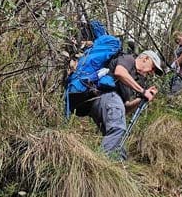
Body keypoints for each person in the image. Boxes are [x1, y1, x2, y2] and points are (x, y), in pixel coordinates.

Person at [68, 21, 164, 160]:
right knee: (118, 130)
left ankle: (116, 168)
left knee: (118, 145)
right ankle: (101, 166)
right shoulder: (129, 60)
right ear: (145, 58)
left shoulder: (135, 80)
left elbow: (124, 108)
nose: (152, 72)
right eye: (153, 67)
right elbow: (119, 72)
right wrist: (142, 91)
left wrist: (141, 98)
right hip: (105, 96)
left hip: (103, 103)